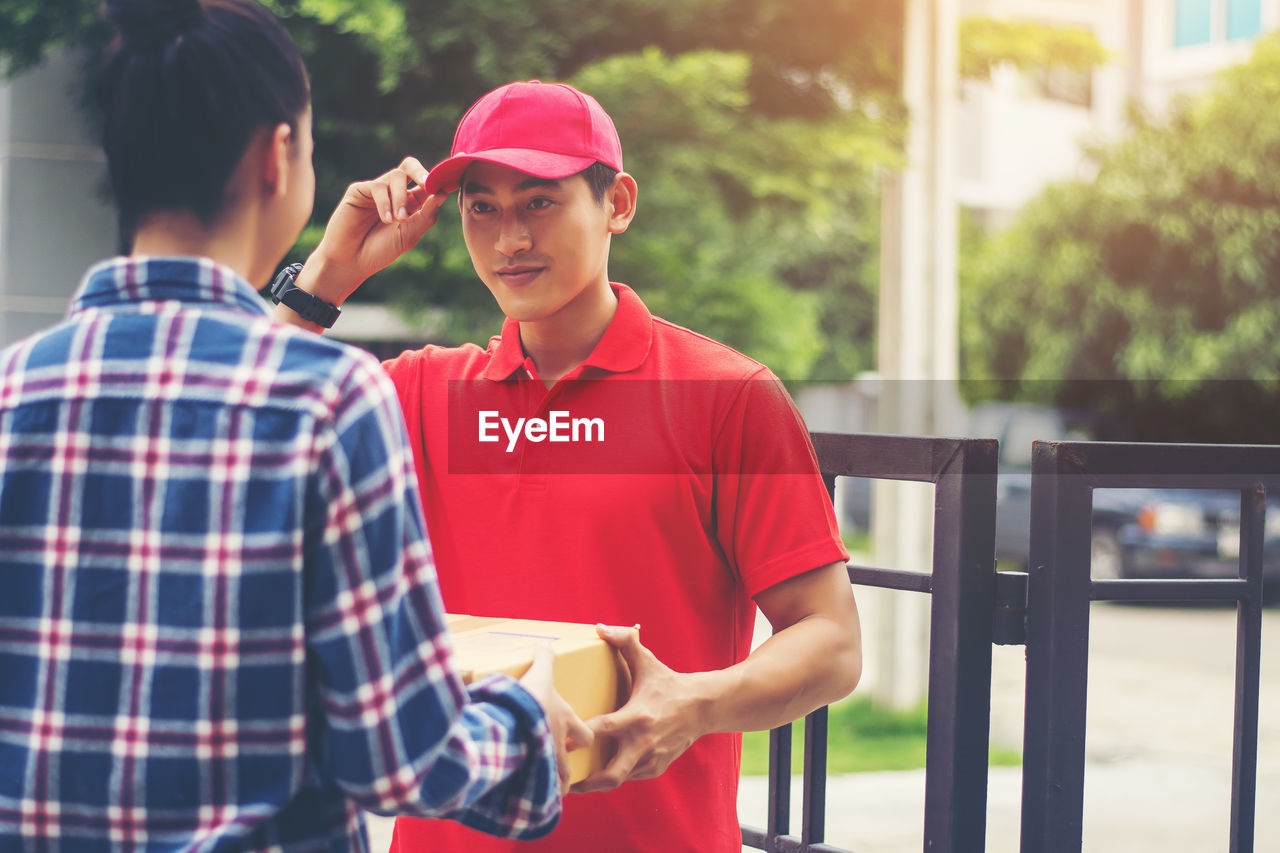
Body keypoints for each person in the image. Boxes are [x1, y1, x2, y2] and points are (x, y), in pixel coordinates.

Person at [0, 4, 590, 850]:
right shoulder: (330, 403)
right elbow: (404, 755)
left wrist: (318, 287)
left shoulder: (14, 393)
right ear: (278, 155)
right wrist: (528, 716)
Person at [275, 80, 862, 852]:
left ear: (616, 202)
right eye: (481, 207)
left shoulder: (728, 398)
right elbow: (241, 432)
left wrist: (693, 701)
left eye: (538, 202)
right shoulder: (423, 394)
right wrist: (327, 276)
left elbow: (831, 640)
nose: (508, 238)